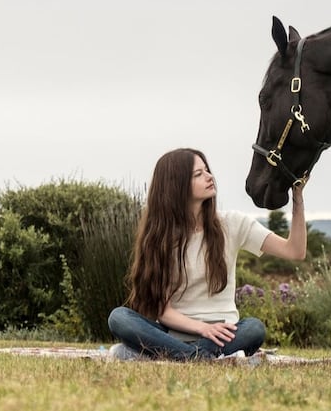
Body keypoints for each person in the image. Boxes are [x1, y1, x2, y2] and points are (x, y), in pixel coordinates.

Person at [107, 148, 307, 361]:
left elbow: (294, 251)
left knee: (253, 329)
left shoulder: (233, 223)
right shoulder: (160, 237)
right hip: (173, 334)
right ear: (177, 185)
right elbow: (162, 310)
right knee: (119, 318)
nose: (209, 176)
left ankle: (165, 356)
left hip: (223, 335)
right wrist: (202, 328)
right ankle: (199, 358)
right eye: (198, 174)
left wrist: (297, 198)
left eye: (207, 170)